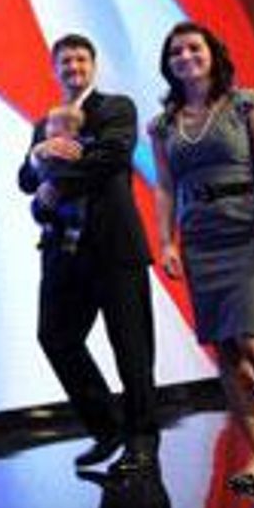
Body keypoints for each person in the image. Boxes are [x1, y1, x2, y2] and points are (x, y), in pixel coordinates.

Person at [149, 21, 254, 493]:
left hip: (250, 229)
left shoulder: (248, 104)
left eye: (193, 48)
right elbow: (165, 187)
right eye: (176, 52)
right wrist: (167, 241)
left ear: (212, 53)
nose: (185, 57)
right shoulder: (163, 125)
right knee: (227, 349)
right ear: (168, 64)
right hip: (200, 237)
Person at [18, 33, 159, 474]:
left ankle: (142, 441)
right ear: (54, 68)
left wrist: (56, 183)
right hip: (63, 250)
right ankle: (107, 429)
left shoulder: (116, 108)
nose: (73, 67)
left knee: (132, 349)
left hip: (115, 248)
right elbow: (25, 179)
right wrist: (39, 156)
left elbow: (111, 156)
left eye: (81, 59)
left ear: (93, 65)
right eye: (65, 61)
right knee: (55, 336)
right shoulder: (44, 124)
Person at [30, 104, 89, 254]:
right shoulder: (43, 147)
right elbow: (28, 178)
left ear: (72, 130)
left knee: (74, 212)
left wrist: (56, 184)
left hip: (69, 194)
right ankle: (48, 231)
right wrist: (36, 157)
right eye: (49, 124)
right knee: (38, 208)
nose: (49, 129)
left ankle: (72, 236)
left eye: (55, 124)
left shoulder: (77, 146)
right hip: (46, 194)